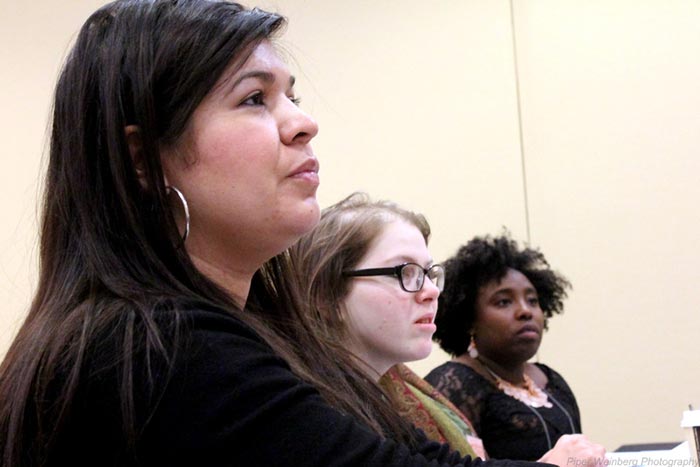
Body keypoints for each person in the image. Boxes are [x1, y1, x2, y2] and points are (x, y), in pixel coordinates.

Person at [0, 2, 585, 466]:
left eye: (291, 96)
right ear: (141, 161)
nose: (304, 123)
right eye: (254, 98)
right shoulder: (158, 346)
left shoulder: (239, 334)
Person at [289, 194, 604, 466]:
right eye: (405, 272)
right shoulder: (311, 410)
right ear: (325, 295)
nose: (430, 291)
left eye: (429, 273)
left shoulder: (376, 400)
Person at [425, 234, 581, 461]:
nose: (525, 311)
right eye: (504, 302)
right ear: (469, 319)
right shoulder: (453, 385)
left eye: (532, 300)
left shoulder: (550, 379)